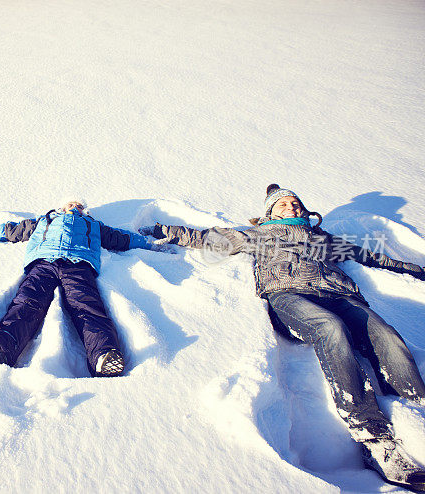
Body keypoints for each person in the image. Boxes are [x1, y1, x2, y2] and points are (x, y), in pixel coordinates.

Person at [139, 184, 425, 491]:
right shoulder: (260, 236)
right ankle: (373, 436)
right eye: (283, 204)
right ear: (270, 213)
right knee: (330, 329)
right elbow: (208, 237)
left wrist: (413, 269)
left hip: (340, 296)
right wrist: (162, 229)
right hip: (288, 296)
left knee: (386, 335)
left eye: (296, 203)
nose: (292, 207)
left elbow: (365, 255)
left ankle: (415, 410)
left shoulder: (322, 240)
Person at [0, 197, 154, 377]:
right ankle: (3, 346)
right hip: (44, 262)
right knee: (28, 301)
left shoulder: (93, 225)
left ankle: (103, 356)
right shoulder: (45, 220)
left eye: (79, 205)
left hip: (79, 264)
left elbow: (122, 238)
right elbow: (13, 230)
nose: (75, 207)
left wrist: (149, 243)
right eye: (72, 204)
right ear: (63, 206)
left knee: (86, 306)